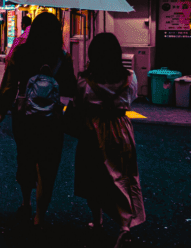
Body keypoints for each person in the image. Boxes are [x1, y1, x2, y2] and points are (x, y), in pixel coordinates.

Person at [0, 13, 76, 227]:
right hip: (53, 119)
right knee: (49, 164)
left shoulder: (21, 52)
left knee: (26, 158)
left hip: (24, 117)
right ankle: (41, 213)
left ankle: (25, 201)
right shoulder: (62, 56)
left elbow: (9, 84)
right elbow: (71, 88)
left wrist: (1, 111)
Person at [74, 32, 146, 246]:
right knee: (124, 175)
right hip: (121, 130)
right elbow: (131, 98)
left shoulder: (85, 81)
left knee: (92, 176)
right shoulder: (130, 77)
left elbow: (79, 105)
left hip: (93, 131)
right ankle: (125, 225)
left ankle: (97, 220)